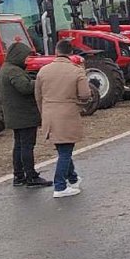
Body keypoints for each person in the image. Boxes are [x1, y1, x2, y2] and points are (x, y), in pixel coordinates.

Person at [35, 40, 92, 198]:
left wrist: (44, 112)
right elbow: (85, 94)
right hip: (67, 113)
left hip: (49, 113)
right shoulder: (76, 71)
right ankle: (60, 186)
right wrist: (79, 104)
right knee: (66, 151)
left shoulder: (43, 71)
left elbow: (38, 95)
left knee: (63, 149)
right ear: (71, 53)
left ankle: (72, 177)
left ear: (56, 50)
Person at [1, 41, 51, 187]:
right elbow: (24, 88)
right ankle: (31, 176)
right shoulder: (13, 71)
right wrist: (39, 82)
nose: (26, 60)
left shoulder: (7, 68)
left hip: (16, 114)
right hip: (23, 115)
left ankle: (19, 176)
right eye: (25, 57)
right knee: (27, 146)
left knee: (19, 146)